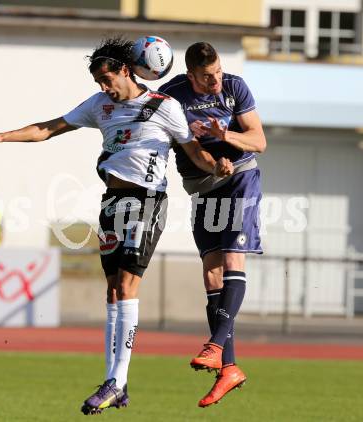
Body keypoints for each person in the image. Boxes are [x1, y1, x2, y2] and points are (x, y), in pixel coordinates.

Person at [0, 37, 234, 415]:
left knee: (126, 286)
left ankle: (117, 381)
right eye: (98, 83)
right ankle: (115, 383)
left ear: (125, 70)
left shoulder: (164, 107)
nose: (103, 88)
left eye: (106, 80)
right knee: (111, 292)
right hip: (112, 203)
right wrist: (1, 136)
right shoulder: (99, 105)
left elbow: (194, 151)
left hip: (146, 201)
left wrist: (216, 165)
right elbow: (49, 127)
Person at [159, 42, 266, 407]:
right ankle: (229, 369)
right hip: (203, 187)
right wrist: (210, 162)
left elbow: (259, 140)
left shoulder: (235, 87)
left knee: (234, 259)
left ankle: (216, 345)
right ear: (191, 75)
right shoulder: (172, 97)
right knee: (211, 275)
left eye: (218, 71)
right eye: (207, 76)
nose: (215, 80)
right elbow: (186, 145)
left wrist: (226, 137)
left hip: (240, 179)